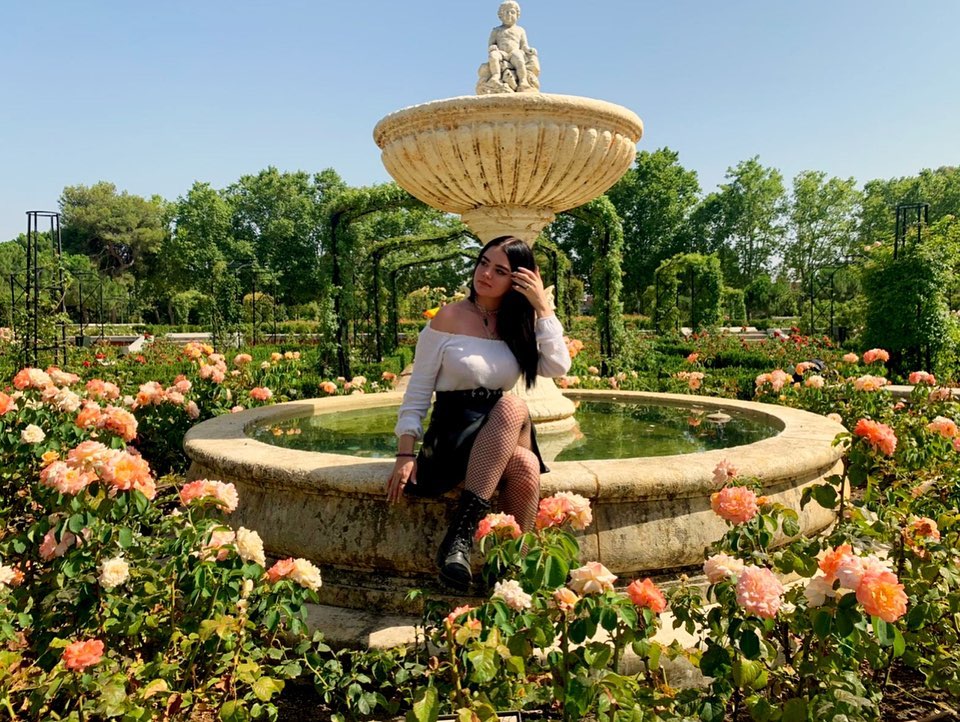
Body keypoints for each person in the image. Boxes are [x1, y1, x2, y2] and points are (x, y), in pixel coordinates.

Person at [386, 236, 571, 591]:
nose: (485, 274)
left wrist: (543, 308)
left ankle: (506, 570)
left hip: (498, 431)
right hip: (452, 433)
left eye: (500, 270)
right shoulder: (449, 317)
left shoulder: (519, 323)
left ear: (517, 280)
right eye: (484, 262)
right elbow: (418, 391)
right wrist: (406, 452)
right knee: (516, 413)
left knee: (525, 459)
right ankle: (465, 538)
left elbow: (558, 365)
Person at [486, 1, 537, 91]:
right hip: (501, 53)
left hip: (514, 52)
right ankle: (496, 75)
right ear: (500, 15)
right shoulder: (496, 30)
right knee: (493, 56)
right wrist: (492, 48)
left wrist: (529, 50)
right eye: (506, 12)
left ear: (518, 15)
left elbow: (524, 45)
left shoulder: (520, 30)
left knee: (519, 59)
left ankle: (523, 80)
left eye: (512, 12)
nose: (509, 14)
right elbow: (491, 44)